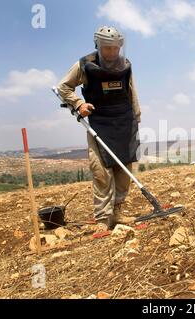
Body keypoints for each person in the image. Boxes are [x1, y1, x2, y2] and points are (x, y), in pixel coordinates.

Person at [57, 26, 141, 232]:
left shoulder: (125, 65)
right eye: (107, 48)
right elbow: (63, 87)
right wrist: (79, 104)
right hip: (99, 123)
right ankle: (103, 218)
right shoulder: (84, 65)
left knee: (123, 168)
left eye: (115, 48)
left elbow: (132, 92)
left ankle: (118, 213)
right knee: (101, 171)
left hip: (124, 122)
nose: (112, 53)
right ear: (98, 45)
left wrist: (136, 116)